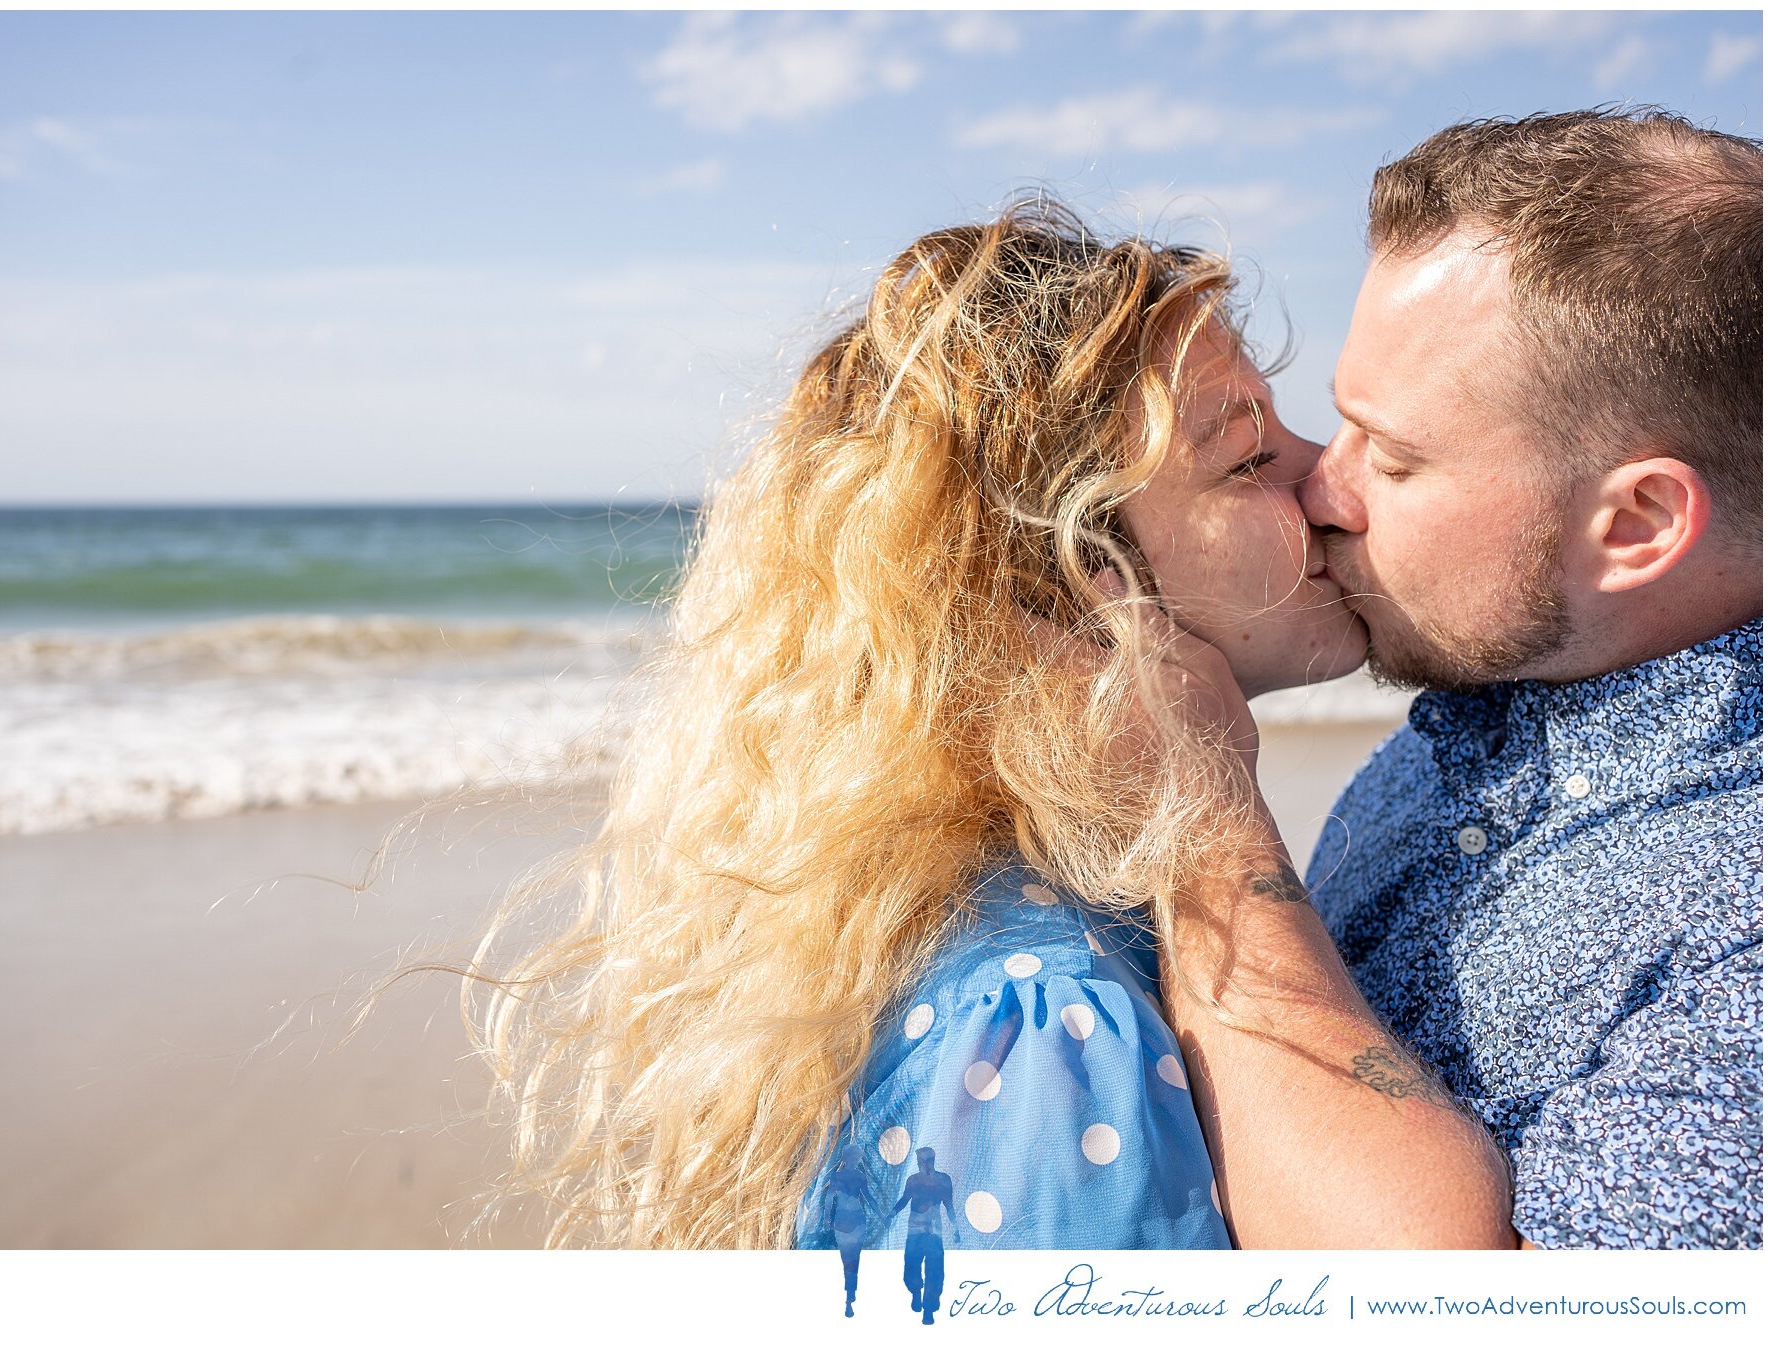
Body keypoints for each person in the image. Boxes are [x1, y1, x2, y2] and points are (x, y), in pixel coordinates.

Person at [470, 194, 1398, 1248]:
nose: (1326, 475)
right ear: (1072, 584)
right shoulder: (1052, 1026)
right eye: (1244, 457)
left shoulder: (1029, 914)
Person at [1142, 109, 1762, 1249]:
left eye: (1391, 456)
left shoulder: (1743, 913)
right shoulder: (1467, 720)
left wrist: (1202, 829)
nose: (1321, 491)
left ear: (1634, 524)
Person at [890, 1149, 957, 1325]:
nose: (924, 1164)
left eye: (927, 1161)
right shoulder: (913, 1181)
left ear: (933, 1160)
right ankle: (915, 1292)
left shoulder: (943, 1180)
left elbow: (949, 1206)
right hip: (915, 1230)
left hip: (934, 1232)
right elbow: (904, 1200)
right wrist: (892, 1213)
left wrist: (956, 1228)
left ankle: (929, 1308)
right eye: (921, 1161)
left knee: (934, 1271)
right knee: (911, 1267)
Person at [819, 1147, 877, 1316]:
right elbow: (830, 1198)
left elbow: (868, 1197)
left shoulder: (854, 1176)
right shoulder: (843, 1176)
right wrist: (826, 1219)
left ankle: (850, 1298)